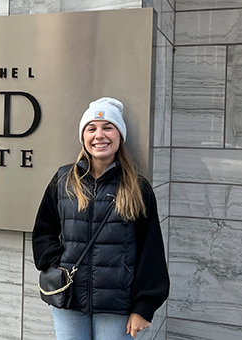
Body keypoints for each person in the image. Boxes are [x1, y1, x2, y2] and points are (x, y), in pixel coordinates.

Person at [32, 97, 169, 340]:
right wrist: (57, 264)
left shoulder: (138, 188)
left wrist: (143, 307)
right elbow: (44, 230)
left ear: (120, 136)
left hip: (117, 306)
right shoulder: (64, 180)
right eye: (91, 128)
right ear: (83, 136)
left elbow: (152, 250)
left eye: (108, 127)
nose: (99, 135)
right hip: (69, 301)